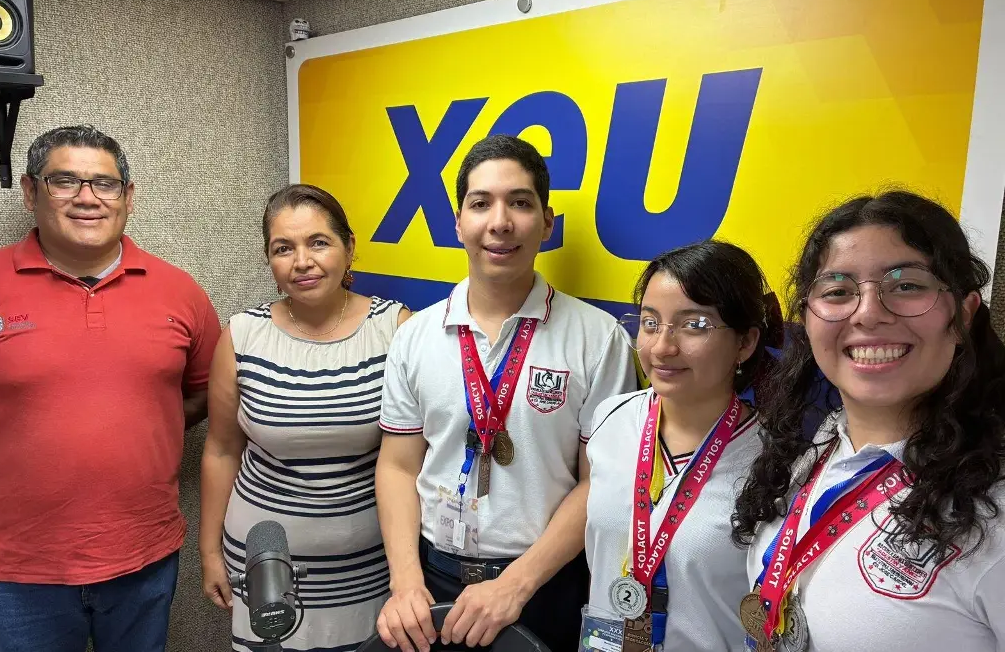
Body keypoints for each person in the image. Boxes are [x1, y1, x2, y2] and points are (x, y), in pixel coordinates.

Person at [375, 134, 636, 652]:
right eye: (481, 204)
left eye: (519, 202)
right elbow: (399, 466)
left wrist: (517, 584)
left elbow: (601, 480)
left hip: (544, 586)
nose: (500, 222)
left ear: (547, 222)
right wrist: (405, 582)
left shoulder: (598, 337)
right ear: (457, 223)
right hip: (431, 582)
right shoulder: (416, 336)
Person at [0, 125, 221, 652]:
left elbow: (210, 392)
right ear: (31, 192)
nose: (87, 198)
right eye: (65, 181)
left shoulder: (179, 291)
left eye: (105, 184)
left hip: (143, 558)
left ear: (127, 197)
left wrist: (145, 421)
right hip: (17, 569)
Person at [732, 190, 1005, 652]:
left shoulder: (995, 508)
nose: (869, 314)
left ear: (963, 314)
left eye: (907, 286)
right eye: (838, 291)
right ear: (808, 320)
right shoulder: (817, 445)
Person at [200, 184, 410, 652]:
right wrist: (209, 551)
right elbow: (221, 449)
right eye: (283, 248)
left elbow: (412, 457)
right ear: (269, 260)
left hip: (369, 565)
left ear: (349, 248)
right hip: (265, 564)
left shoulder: (394, 329)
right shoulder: (242, 335)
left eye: (318, 242)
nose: (302, 261)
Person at [583, 241, 782, 652]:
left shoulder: (777, 462)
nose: (661, 347)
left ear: (745, 343)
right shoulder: (611, 418)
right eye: (650, 322)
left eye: (694, 325)